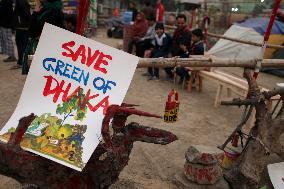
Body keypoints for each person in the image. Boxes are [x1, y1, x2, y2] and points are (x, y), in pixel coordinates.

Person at [22, 0, 64, 74]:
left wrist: (35, 12)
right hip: (53, 50)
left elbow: (32, 32)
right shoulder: (58, 11)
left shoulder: (47, 14)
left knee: (39, 76)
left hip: (41, 50)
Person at [165, 14, 191, 78]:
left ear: (185, 22)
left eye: (182, 23)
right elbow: (173, 42)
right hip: (175, 52)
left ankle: (188, 79)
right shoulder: (177, 30)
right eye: (178, 23)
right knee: (164, 59)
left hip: (182, 54)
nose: (180, 24)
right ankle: (171, 74)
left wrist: (173, 55)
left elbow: (182, 46)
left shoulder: (187, 32)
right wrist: (170, 52)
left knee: (173, 64)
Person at [10, 0, 31, 69]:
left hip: (22, 27)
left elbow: (26, 14)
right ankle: (23, 62)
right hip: (23, 27)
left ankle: (20, 63)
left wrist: (20, 21)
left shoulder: (21, 1)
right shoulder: (22, 1)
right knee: (24, 45)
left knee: (21, 46)